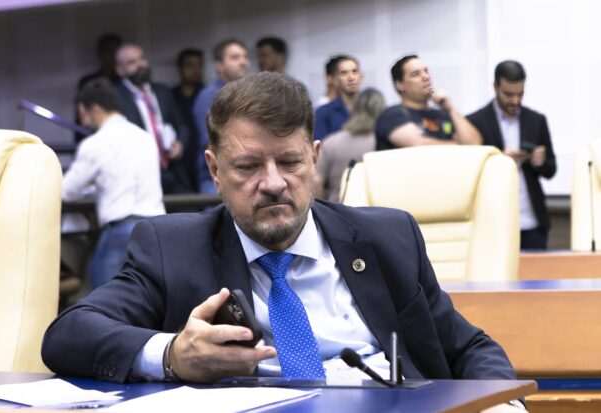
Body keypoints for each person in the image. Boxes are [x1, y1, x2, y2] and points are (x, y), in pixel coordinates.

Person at [42, 72, 517, 394]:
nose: (272, 183)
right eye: (248, 166)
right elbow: (69, 334)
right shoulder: (173, 248)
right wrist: (171, 355)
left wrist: (505, 405)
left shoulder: (387, 237)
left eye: (289, 162)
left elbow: (469, 348)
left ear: (314, 158)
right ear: (215, 170)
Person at [62, 79, 165, 288]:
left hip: (121, 230)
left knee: (106, 298)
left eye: (83, 114)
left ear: (96, 109)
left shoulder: (95, 143)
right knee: (151, 298)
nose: (83, 123)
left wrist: (90, 191)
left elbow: (66, 191)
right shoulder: (145, 137)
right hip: (157, 229)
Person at [467, 61, 557, 250]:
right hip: (493, 222)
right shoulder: (474, 122)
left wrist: (539, 163)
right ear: (495, 87)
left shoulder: (536, 120)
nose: (515, 100)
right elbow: (468, 174)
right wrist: (498, 160)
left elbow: (551, 169)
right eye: (508, 94)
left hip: (532, 222)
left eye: (520, 94)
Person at [114, 43, 193, 194]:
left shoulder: (162, 91)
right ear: (120, 70)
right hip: (138, 177)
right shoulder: (115, 97)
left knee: (191, 205)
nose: (140, 65)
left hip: (172, 170)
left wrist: (180, 144)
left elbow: (182, 125)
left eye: (142, 58)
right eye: (132, 62)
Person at [375, 55, 481, 150]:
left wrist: (451, 108)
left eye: (426, 71)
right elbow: (419, 145)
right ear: (400, 85)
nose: (426, 77)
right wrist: (460, 146)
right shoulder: (392, 115)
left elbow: (475, 145)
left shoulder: (442, 115)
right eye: (416, 74)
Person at [193, 38, 250, 194]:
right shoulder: (209, 97)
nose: (243, 62)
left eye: (245, 56)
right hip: (216, 176)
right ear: (219, 65)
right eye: (235, 57)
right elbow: (211, 141)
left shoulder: (251, 94)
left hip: (247, 170)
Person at [316, 88, 386, 202]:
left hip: (337, 207)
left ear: (354, 109)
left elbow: (317, 181)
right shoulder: (383, 143)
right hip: (377, 208)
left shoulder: (331, 142)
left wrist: (322, 209)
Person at [75, 33, 123, 142]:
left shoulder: (124, 82)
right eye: (107, 51)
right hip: (94, 135)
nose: (110, 56)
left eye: (114, 52)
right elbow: (80, 116)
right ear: (100, 53)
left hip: (122, 135)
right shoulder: (87, 82)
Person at [171, 48, 205, 191]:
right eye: (190, 65)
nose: (195, 71)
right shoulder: (171, 96)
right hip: (179, 162)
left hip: (202, 157)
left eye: (199, 66)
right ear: (180, 69)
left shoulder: (206, 94)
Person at [314, 55, 363, 140]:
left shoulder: (372, 109)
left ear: (361, 76)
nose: (351, 78)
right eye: (344, 73)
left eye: (355, 71)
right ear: (334, 80)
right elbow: (320, 145)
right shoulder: (323, 113)